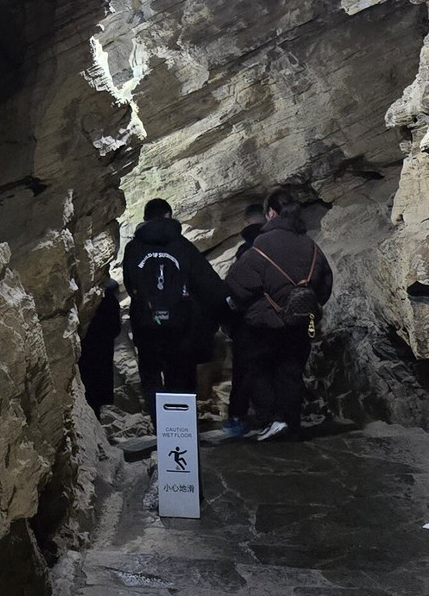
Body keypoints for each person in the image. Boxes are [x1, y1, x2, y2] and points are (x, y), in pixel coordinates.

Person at [225, 188, 332, 442]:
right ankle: (290, 423)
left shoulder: (262, 246)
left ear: (271, 213)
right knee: (291, 373)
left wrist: (245, 305)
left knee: (257, 370)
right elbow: (325, 285)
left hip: (265, 325)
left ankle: (274, 419)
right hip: (299, 323)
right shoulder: (311, 246)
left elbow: (237, 283)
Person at [122, 198, 230, 428]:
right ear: (169, 215)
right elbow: (207, 285)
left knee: (151, 377)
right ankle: (181, 430)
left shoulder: (133, 248)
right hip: (181, 327)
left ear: (145, 219)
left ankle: (160, 428)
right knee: (180, 376)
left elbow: (130, 283)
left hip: (146, 325)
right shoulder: (183, 246)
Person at [222, 201, 268, 437]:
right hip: (279, 321)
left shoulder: (245, 251)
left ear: (248, 222)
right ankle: (277, 416)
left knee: (244, 372)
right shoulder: (279, 247)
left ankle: (238, 419)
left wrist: (229, 321)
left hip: (248, 321)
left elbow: (235, 288)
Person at [79, 278, 122, 418]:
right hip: (103, 350)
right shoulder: (112, 301)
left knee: (89, 390)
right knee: (98, 392)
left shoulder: (90, 301)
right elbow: (116, 329)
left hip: (86, 349)